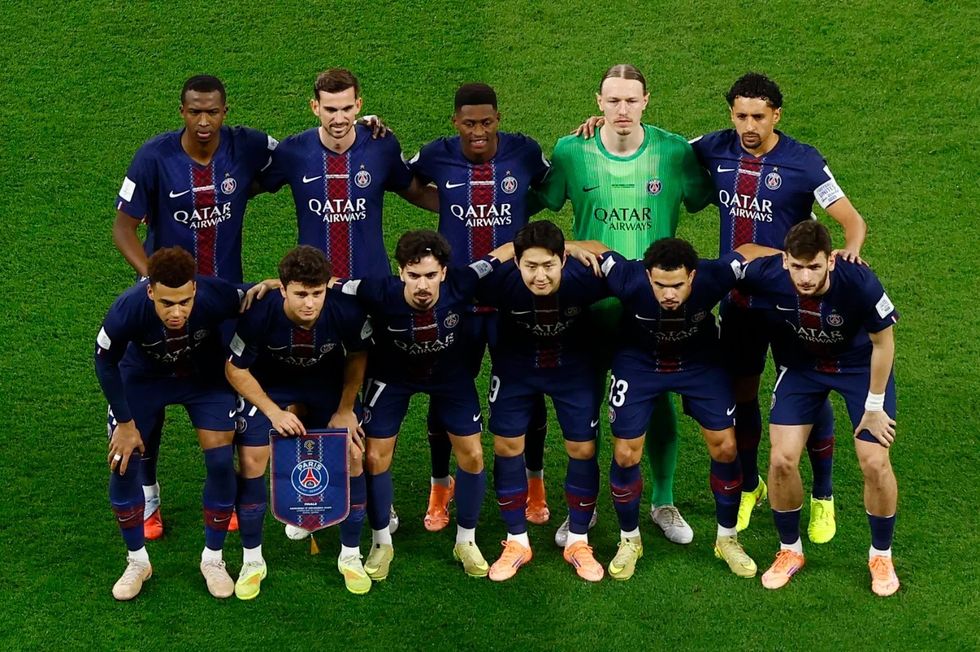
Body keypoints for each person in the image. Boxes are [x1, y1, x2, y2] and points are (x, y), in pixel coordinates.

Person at [537, 64, 714, 544]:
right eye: (613, 100)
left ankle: (663, 501)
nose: (622, 109)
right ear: (598, 102)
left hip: (655, 306)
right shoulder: (571, 151)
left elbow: (710, 191)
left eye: (631, 100)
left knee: (658, 400)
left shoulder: (673, 151)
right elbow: (538, 202)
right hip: (592, 307)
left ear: (646, 101)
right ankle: (585, 505)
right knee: (585, 401)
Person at [257, 68, 435, 539]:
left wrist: (468, 207)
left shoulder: (381, 146)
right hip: (318, 297)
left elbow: (414, 188)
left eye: (346, 108)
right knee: (315, 390)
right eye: (329, 109)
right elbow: (245, 182)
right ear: (314, 107)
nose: (338, 118)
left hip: (373, 296)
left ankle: (377, 502)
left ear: (360, 105)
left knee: (369, 400)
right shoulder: (294, 152)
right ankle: (314, 498)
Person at [689, 72, 868, 540]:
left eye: (759, 116)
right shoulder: (713, 147)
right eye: (741, 116)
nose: (749, 126)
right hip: (740, 301)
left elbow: (851, 219)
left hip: (794, 303)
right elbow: (660, 148)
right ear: (731, 114)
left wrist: (850, 252)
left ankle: (823, 495)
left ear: (776, 115)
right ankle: (751, 484)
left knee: (809, 389)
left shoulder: (804, 162)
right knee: (742, 392)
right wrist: (604, 125)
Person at [113, 75, 278, 538]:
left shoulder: (245, 146)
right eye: (194, 111)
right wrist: (154, 279)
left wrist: (360, 129)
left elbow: (301, 154)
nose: (204, 121)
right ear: (182, 112)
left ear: (225, 112)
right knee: (150, 401)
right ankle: (148, 493)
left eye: (212, 112)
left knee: (222, 400)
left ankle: (225, 491)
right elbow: (123, 228)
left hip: (222, 307)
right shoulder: (154, 157)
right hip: (167, 306)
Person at [408, 83, 553, 531]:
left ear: (498, 119)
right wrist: (447, 201)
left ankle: (534, 481)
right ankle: (440, 485)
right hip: (458, 302)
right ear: (455, 122)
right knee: (445, 388)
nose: (478, 131)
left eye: (486, 122)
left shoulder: (524, 152)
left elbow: (550, 185)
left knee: (528, 389)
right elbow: (403, 180)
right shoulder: (436, 154)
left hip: (513, 300)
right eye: (469, 123)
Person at [333, 230, 514, 579]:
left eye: (430, 275)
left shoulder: (463, 281)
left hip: (449, 377)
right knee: (374, 456)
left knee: (473, 454)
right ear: (400, 272)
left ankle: (466, 540)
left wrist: (567, 247)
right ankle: (381, 542)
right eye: (413, 275)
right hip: (392, 378)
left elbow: (502, 253)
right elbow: (332, 285)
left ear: (443, 273)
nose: (422, 285)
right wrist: (274, 286)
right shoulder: (377, 291)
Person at [737, 221, 900, 596]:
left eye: (814, 266)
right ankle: (790, 550)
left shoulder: (860, 282)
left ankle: (881, 556)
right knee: (781, 460)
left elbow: (884, 343)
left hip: (858, 368)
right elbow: (743, 254)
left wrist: (875, 406)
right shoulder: (772, 272)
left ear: (831, 260)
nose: (805, 277)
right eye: (797, 266)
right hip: (803, 368)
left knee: (874, 462)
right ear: (785, 261)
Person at [96, 247, 269, 600]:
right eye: (166, 303)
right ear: (150, 291)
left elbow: (253, 295)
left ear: (195, 290)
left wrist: (276, 284)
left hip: (202, 379)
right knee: (123, 462)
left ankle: (213, 559)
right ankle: (137, 561)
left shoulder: (214, 294)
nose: (176, 312)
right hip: (143, 380)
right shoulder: (127, 308)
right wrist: (125, 423)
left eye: (184, 302)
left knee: (220, 461)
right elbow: (104, 362)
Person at [594, 237, 763, 580]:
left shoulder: (713, 276)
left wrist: (788, 257)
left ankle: (727, 539)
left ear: (692, 277)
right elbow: (595, 247)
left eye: (677, 286)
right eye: (660, 285)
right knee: (625, 454)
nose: (668, 294)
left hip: (698, 363)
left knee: (726, 447)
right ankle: (630, 540)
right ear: (647, 276)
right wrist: (569, 247)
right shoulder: (627, 277)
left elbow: (748, 251)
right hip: (640, 363)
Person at [224, 246, 373, 598]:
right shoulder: (261, 312)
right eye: (301, 294)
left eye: (317, 293)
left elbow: (358, 355)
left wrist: (346, 408)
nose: (310, 303)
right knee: (251, 460)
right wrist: (273, 412)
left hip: (325, 386)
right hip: (271, 388)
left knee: (353, 453)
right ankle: (252, 560)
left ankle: (350, 555)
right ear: (283, 289)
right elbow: (234, 369)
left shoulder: (345, 310)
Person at [476, 221, 607, 582]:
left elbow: (616, 260)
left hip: (573, 369)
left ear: (563, 259)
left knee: (582, 448)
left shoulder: (586, 276)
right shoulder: (497, 281)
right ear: (516, 262)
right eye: (530, 266)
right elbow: (461, 278)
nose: (540, 276)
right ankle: (516, 541)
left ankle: (578, 541)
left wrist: (577, 245)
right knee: (506, 446)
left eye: (548, 265)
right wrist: (505, 250)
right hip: (516, 369)